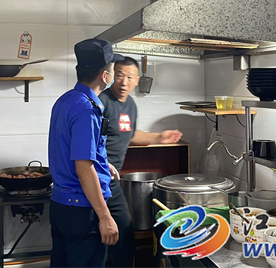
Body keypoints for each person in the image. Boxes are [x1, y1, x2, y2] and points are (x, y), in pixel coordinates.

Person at [99, 56, 183, 268]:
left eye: (129, 77)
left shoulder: (130, 106)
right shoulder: (102, 102)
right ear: (112, 76)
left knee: (123, 235)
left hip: (111, 180)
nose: (124, 82)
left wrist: (159, 137)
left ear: (137, 80)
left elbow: (130, 134)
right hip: (96, 177)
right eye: (119, 75)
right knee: (106, 235)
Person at [48, 38, 124, 268]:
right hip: (82, 211)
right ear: (104, 75)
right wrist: (105, 217)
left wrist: (102, 164)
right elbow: (83, 167)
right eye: (113, 69)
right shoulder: (87, 109)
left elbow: (69, 149)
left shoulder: (67, 100)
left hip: (61, 206)